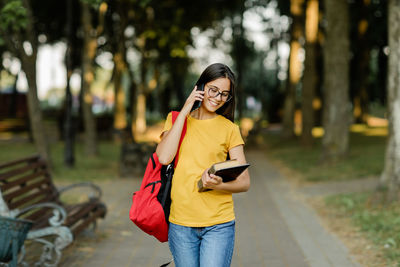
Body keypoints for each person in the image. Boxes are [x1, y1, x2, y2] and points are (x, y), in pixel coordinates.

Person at [156, 63, 250, 267]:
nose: (217, 98)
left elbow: (244, 182)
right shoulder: (175, 120)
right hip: (181, 223)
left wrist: (218, 185)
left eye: (224, 94)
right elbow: (164, 158)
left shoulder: (229, 129)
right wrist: (186, 109)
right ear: (200, 87)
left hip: (218, 223)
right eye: (213, 90)